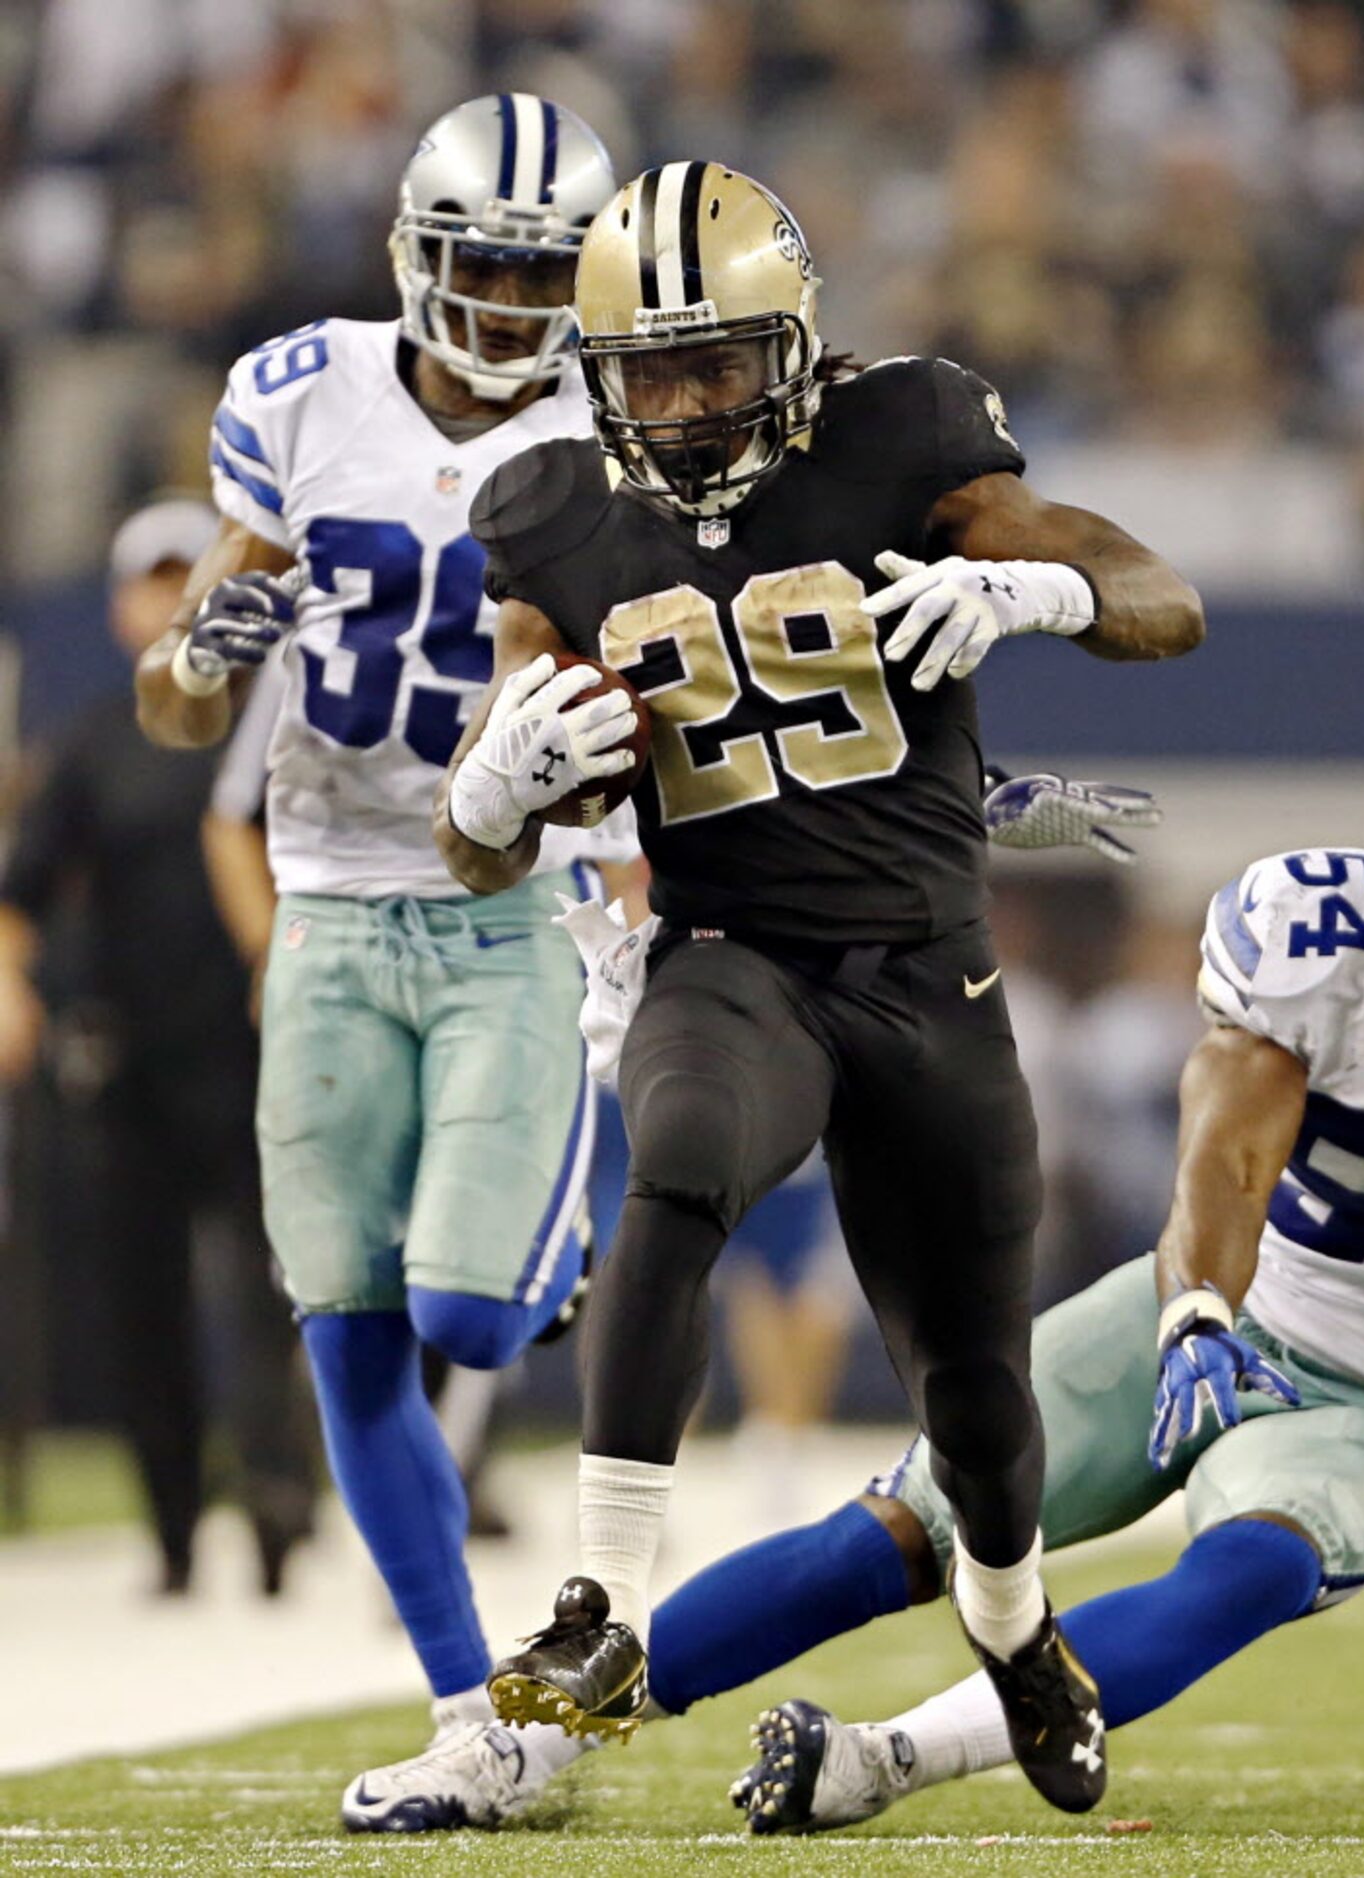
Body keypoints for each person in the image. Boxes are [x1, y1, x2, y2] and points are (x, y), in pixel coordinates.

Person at [559, 695, 1364, 1837]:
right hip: (1201, 1311)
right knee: (897, 1533)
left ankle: (883, 1760)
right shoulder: (1318, 935)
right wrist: (1200, 1307)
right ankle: (533, 1738)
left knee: (1249, 1568)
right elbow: (1227, 1164)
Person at [435, 160, 1204, 1816]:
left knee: (980, 1407)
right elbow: (489, 830)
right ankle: (602, 1601)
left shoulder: (904, 438)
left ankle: (1016, 1629)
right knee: (685, 1157)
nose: (689, 404)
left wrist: (1027, 587)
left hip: (930, 973)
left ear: (794, 348)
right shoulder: (555, 510)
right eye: (651, 371)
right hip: (732, 955)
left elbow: (1163, 598)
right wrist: (497, 786)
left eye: (718, 364)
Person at [130, 96, 650, 1833]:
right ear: (414, 256)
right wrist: (211, 651)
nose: (507, 307)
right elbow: (182, 687)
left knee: (465, 1310)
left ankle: (544, 1242)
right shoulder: (297, 396)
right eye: (479, 265)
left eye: (535, 271)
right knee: (344, 1325)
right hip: (334, 900)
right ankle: (469, 1710)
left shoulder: (613, 416)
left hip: (518, 897)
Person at [0, 497, 315, 1598]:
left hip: (263, 1045)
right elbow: (18, 892)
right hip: (130, 1057)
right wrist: (10, 991)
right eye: (154, 581)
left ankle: (281, 1506)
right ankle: (177, 1530)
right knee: (143, 1300)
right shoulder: (92, 741)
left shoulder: (292, 722)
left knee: (279, 1286)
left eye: (195, 577)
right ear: (120, 605)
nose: (174, 601)